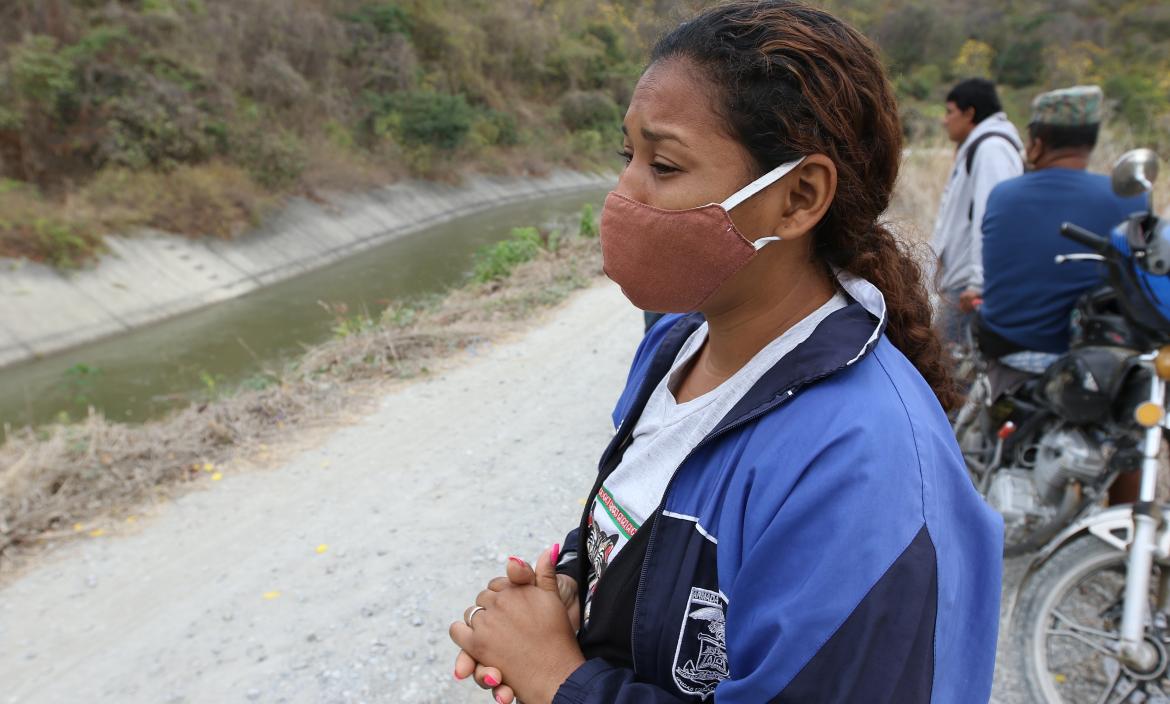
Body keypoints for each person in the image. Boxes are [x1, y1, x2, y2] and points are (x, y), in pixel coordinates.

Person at [449, 3, 1003, 702]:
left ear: (798, 197)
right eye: (628, 156)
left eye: (665, 164)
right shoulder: (677, 344)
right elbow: (647, 521)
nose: (624, 194)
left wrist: (562, 680)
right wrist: (574, 587)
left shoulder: (864, 464)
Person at [976, 85, 1148, 505]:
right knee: (1134, 437)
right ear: (1091, 141)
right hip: (1098, 364)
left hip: (1015, 355)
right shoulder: (1131, 197)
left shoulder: (1005, 195)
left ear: (1036, 141)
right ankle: (1124, 518)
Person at [931, 78, 1023, 349]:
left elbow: (993, 217)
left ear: (970, 113)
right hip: (961, 283)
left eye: (950, 112)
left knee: (947, 376)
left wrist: (979, 283)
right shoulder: (979, 147)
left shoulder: (992, 149)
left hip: (968, 290)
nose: (944, 121)